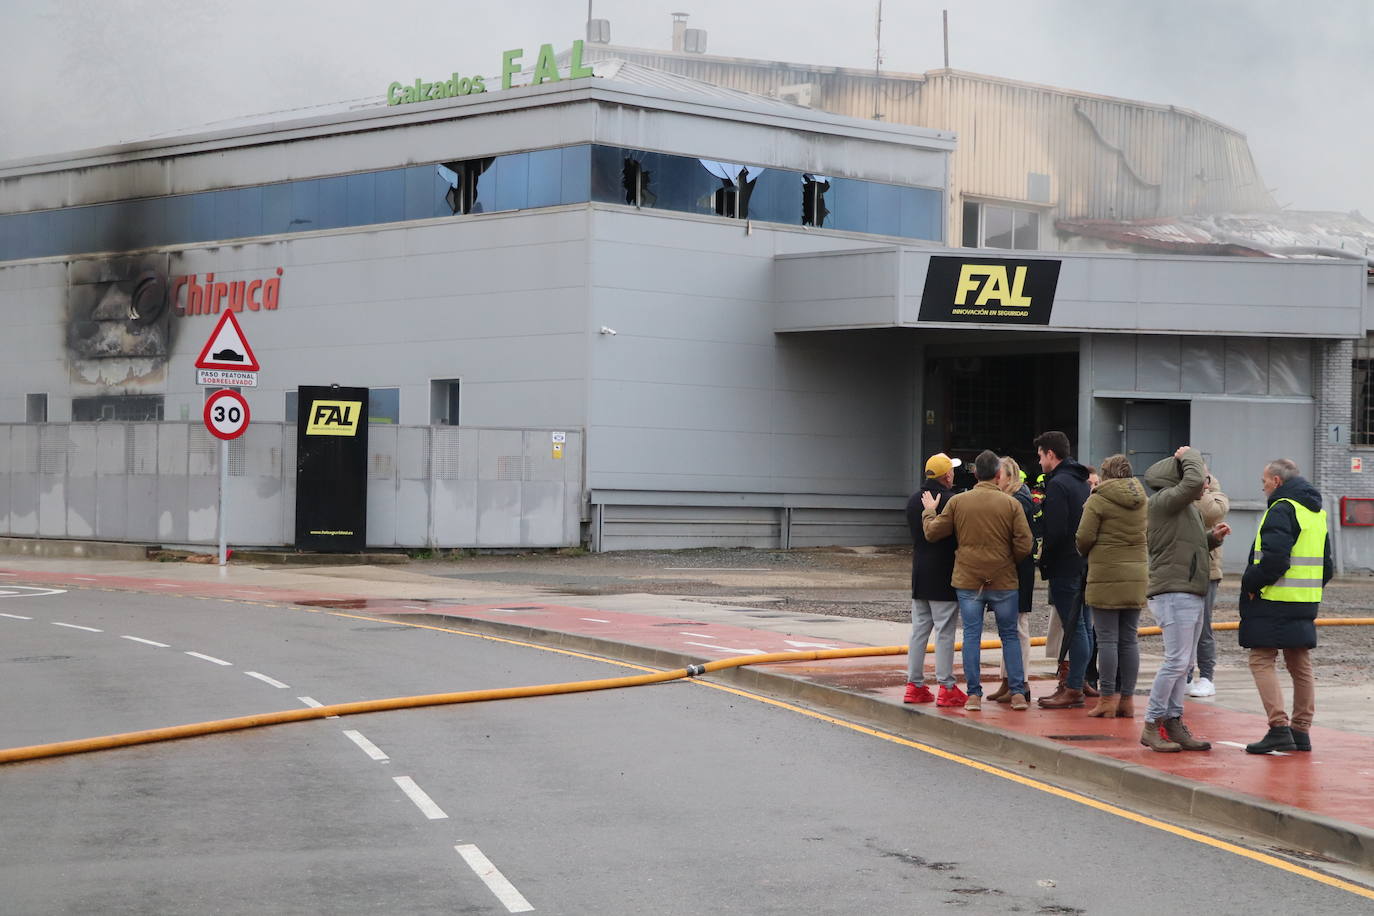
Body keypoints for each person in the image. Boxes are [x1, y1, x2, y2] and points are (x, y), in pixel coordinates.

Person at [922, 449, 1034, 712]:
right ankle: (1017, 692)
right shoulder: (1011, 504)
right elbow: (1025, 543)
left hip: (969, 579)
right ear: (998, 475)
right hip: (1004, 579)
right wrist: (1009, 560)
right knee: (1009, 635)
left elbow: (933, 533)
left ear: (974, 473)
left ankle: (974, 695)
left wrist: (929, 512)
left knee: (971, 636)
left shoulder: (960, 502)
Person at [1140, 446, 1231, 752]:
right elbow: (1193, 482)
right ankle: (1152, 724)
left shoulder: (1185, 509)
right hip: (1174, 591)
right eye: (1196, 474)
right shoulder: (1164, 501)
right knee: (1177, 661)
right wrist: (1190, 454)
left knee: (1185, 662)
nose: (1203, 482)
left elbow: (1185, 544)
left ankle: (1173, 721)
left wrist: (1211, 539)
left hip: (1188, 589)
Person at [1240, 459, 1334, 754]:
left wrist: (1251, 584)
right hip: (1305, 601)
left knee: (1261, 658)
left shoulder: (1282, 508)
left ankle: (1279, 727)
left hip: (1274, 598)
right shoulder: (1316, 512)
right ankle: (1301, 730)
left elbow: (1275, 559)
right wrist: (1308, 590)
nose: (1263, 486)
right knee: (1299, 661)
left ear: (1277, 481)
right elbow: (1326, 566)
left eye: (1265, 481)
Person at [1074, 454, 1147, 718]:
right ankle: (1127, 700)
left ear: (1105, 474)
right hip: (1137, 575)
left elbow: (1084, 537)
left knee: (1106, 639)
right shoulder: (1142, 500)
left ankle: (1106, 700)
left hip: (1106, 574)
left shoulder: (1098, 499)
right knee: (1129, 639)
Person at [1032, 431, 1093, 709]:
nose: (1039, 460)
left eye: (1041, 455)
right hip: (1081, 562)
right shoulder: (1081, 481)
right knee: (1083, 625)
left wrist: (1043, 559)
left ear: (1051, 454)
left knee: (1075, 627)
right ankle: (1079, 681)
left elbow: (1054, 530)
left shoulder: (1058, 485)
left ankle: (1074, 687)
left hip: (1064, 565)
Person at [903, 453, 967, 708]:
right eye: (951, 472)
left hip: (920, 573)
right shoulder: (953, 501)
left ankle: (914, 684)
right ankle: (946, 686)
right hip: (944, 574)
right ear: (947, 476)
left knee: (919, 630)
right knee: (945, 632)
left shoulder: (912, 501)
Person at [987, 456, 1036, 703]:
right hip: (1014, 570)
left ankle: (1021, 682)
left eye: (1000, 475)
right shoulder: (1015, 498)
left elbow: (1019, 542)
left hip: (1018, 571)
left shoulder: (1018, 502)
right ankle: (1008, 681)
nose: (997, 479)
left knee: (1018, 628)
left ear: (1010, 476)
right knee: (1009, 628)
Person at [1187, 470, 1230, 697]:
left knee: (1203, 627)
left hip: (1208, 571)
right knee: (1182, 627)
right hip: (1180, 570)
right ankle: (1184, 677)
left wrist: (1198, 484)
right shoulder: (1178, 493)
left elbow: (1208, 512)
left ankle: (1206, 677)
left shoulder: (1216, 497)